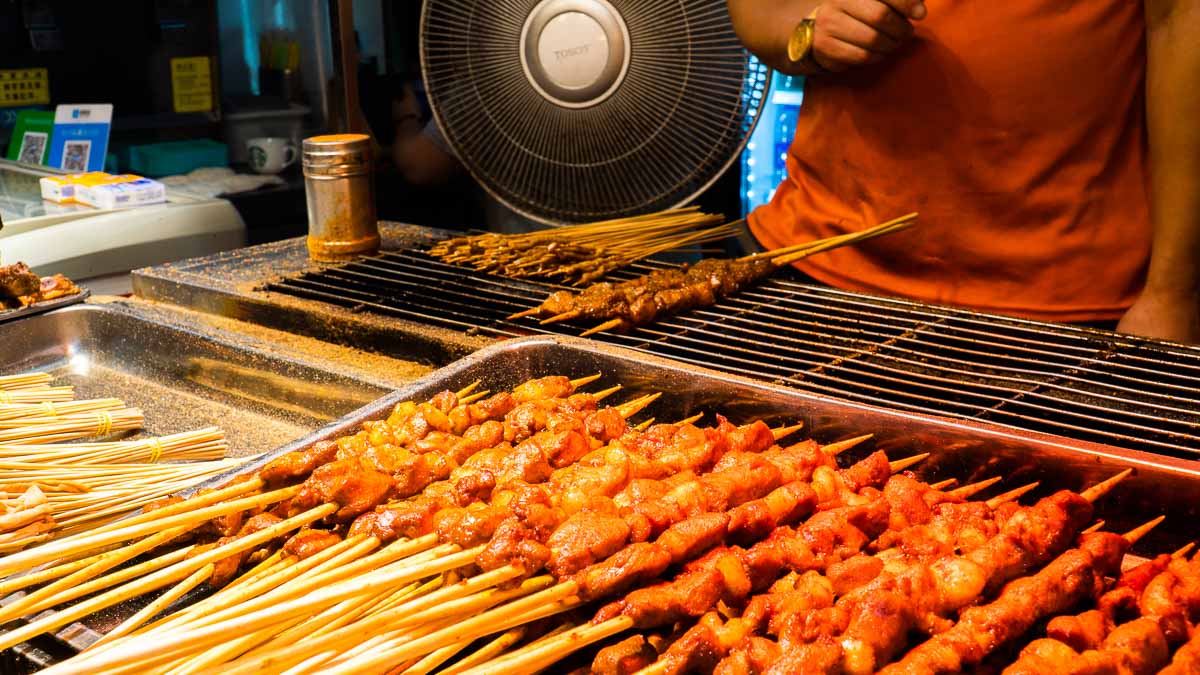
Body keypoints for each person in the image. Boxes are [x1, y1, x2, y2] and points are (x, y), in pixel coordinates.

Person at [727, 0, 1200, 343]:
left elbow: (1182, 21)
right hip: (816, 255)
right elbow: (767, 10)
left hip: (1071, 300)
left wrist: (1174, 293)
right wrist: (807, 27)